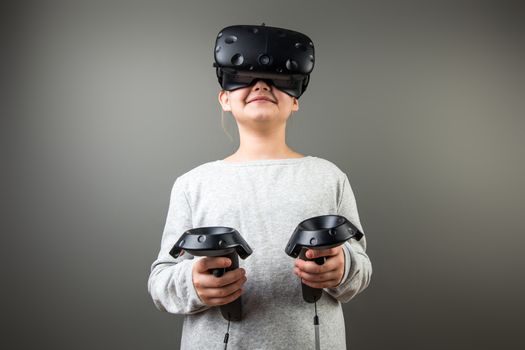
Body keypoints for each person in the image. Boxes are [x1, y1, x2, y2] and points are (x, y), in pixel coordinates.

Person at [148, 25, 372, 349]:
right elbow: (161, 280)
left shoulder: (329, 178)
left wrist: (343, 268)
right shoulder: (192, 185)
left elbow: (361, 267)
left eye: (278, 79)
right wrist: (192, 283)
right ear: (224, 98)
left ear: (295, 101)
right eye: (245, 76)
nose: (261, 85)